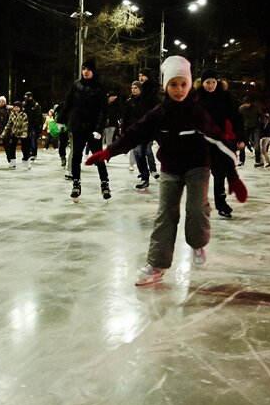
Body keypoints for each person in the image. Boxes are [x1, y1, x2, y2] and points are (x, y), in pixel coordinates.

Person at [86, 55, 246, 286]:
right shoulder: (159, 112)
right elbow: (134, 133)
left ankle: (198, 243)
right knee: (166, 214)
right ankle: (157, 264)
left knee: (195, 208)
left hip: (198, 166)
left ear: (190, 84)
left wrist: (233, 177)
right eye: (173, 84)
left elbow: (219, 142)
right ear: (166, 85)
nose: (179, 90)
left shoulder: (197, 113)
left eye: (183, 84)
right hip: (171, 167)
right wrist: (109, 152)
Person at [59, 57, 110, 201]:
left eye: (88, 69)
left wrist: (99, 129)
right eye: (83, 69)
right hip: (77, 127)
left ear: (93, 71)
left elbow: (102, 111)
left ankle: (104, 183)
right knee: (76, 156)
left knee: (98, 157)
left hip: (93, 129)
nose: (85, 72)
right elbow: (67, 103)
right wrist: (61, 120)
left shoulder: (99, 88)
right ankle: (76, 183)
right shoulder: (76, 85)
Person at [195, 68, 243, 217]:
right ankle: (198, 204)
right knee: (199, 174)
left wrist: (240, 137)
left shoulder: (225, 97)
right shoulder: (195, 97)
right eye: (207, 82)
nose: (210, 85)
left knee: (219, 173)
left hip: (217, 141)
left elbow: (236, 118)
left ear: (218, 82)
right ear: (202, 83)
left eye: (213, 82)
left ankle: (221, 204)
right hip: (200, 141)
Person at [0, 99, 29, 168]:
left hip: (22, 133)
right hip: (15, 133)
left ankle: (25, 160)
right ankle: (13, 162)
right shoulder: (12, 115)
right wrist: (4, 133)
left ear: (20, 108)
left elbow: (25, 125)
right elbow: (9, 124)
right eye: (15, 107)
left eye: (17, 107)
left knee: (24, 148)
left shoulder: (24, 115)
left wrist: (24, 134)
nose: (16, 108)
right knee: (12, 147)